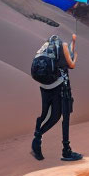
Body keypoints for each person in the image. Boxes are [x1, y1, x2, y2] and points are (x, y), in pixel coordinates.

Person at [31, 33, 83, 162]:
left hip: (46, 86)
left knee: (49, 115)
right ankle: (66, 151)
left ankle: (37, 138)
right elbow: (71, 64)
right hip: (61, 87)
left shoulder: (47, 47)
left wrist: (74, 42)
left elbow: (67, 52)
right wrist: (75, 57)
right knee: (64, 117)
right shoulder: (63, 45)